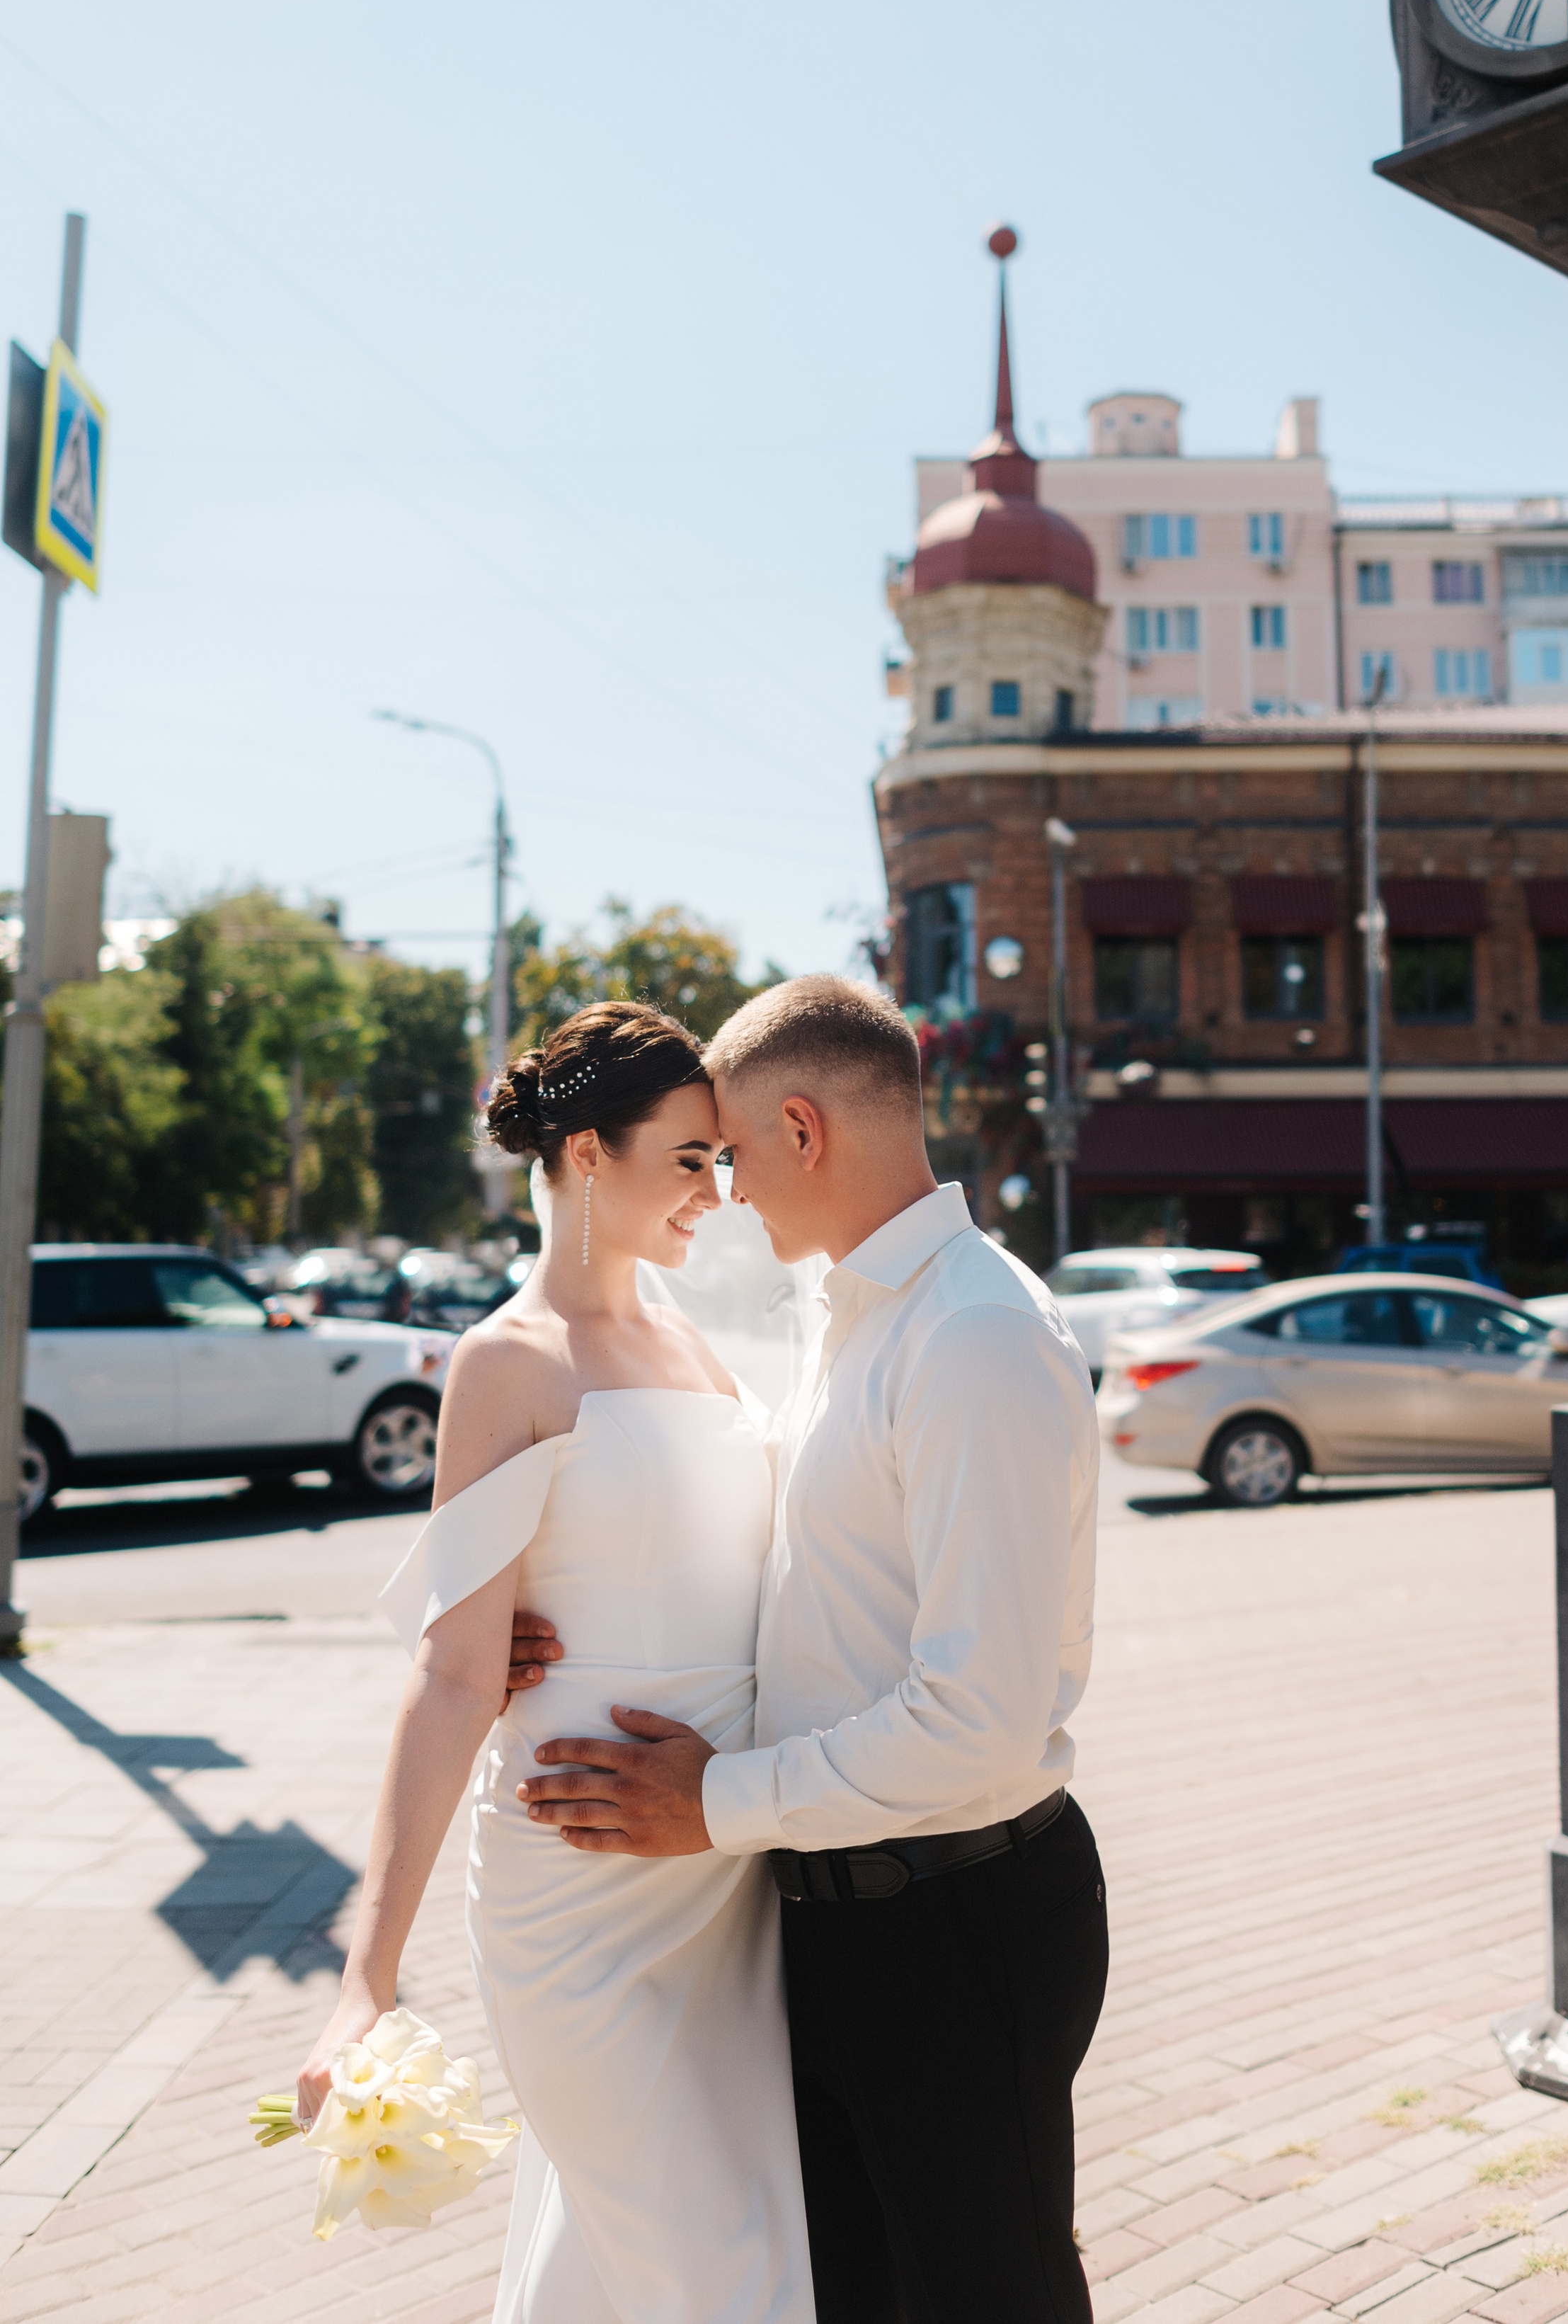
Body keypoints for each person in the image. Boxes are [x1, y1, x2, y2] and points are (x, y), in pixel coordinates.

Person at [517, 974, 1108, 2324]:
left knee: (990, 2297)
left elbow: (979, 1719)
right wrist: (544, 1627)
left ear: (801, 1128)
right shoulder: (849, 1320)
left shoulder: (975, 1336)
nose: (723, 1192)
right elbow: (791, 1577)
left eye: (728, 1154)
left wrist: (711, 1803)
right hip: (832, 1913)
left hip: (958, 1919)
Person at [294, 998, 815, 2324]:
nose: (717, 1188)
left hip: (721, 1872)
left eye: (720, 1161)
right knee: (715, 2264)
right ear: (588, 1153)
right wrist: (369, 1975)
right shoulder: (504, 1361)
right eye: (689, 1157)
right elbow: (457, 1672)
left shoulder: (699, 1346)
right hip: (571, 1883)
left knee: (676, 2242)